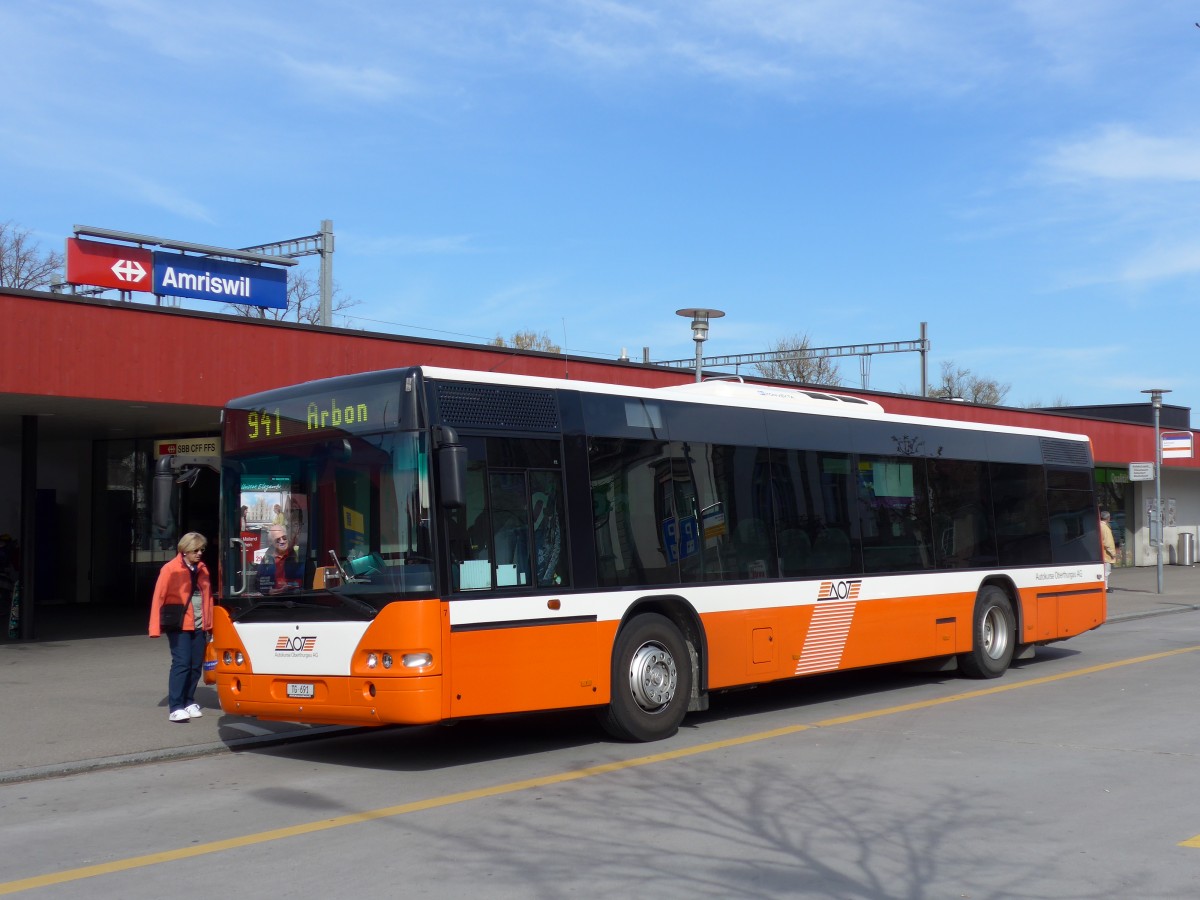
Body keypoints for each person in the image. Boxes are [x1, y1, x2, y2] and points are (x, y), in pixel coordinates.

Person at [148, 532, 213, 723]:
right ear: (184, 551)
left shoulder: (203, 569)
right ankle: (176, 706)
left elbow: (208, 598)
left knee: (195, 665)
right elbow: (158, 597)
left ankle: (188, 700)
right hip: (179, 624)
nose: (199, 553)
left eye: (201, 549)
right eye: (195, 550)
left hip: (200, 623)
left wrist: (211, 626)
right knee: (182, 663)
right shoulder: (170, 569)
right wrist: (154, 628)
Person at [257, 524, 304, 594]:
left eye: (284, 538)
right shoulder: (266, 558)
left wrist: (289, 585)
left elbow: (305, 580)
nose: (282, 541)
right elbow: (258, 582)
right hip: (273, 601)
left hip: (294, 599)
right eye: (278, 540)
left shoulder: (298, 556)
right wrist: (268, 591)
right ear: (271, 542)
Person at [1099, 510, 1117, 593]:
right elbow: (1108, 542)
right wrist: (1113, 553)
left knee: (1103, 571)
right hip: (1106, 554)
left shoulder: (1098, 525)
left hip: (1100, 553)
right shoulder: (1105, 527)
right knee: (1106, 571)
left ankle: (1103, 586)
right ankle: (1105, 587)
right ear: (1108, 518)